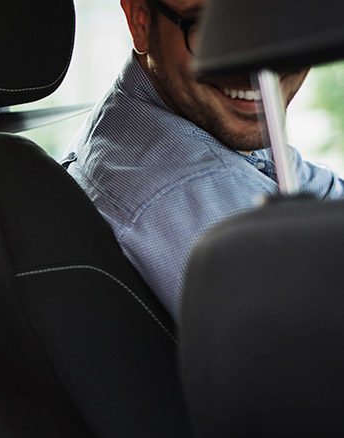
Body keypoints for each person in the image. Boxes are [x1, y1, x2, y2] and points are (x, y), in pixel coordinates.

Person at [62, 0, 344, 318]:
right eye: (212, 27)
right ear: (140, 19)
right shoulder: (193, 193)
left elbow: (324, 191)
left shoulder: (135, 119)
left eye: (282, 18)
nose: (255, 67)